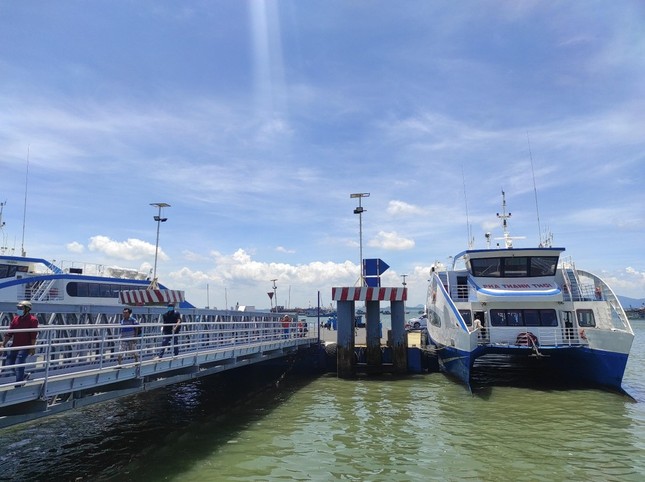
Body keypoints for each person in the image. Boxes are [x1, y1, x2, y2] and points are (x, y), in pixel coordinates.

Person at [1, 300, 39, 383]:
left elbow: (33, 335)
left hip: (25, 346)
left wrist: (32, 348)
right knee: (9, 363)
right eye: (18, 307)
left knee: (19, 365)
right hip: (15, 345)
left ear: (27, 309)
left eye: (21, 308)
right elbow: (9, 333)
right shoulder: (16, 319)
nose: (18, 309)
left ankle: (19, 383)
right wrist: (3, 344)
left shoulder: (33, 320)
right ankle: (24, 375)